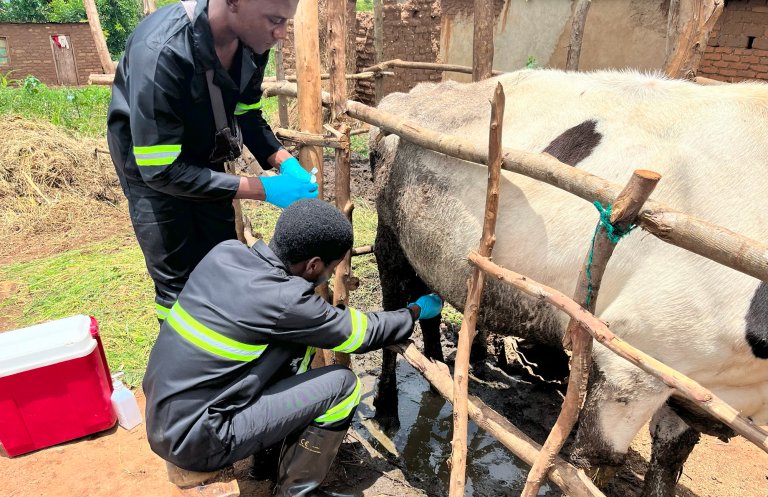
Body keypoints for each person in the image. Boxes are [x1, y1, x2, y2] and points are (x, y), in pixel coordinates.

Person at [142, 199, 443, 497]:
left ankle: (266, 459)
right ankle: (295, 491)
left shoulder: (226, 253)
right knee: (343, 386)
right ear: (313, 265)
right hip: (198, 438)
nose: (329, 274)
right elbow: (361, 333)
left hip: (166, 415)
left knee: (293, 349)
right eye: (332, 267)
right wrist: (415, 311)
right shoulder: (285, 300)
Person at [107, 0, 316, 323]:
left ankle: (226, 358)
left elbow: (246, 115)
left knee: (220, 263)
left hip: (205, 162)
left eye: (286, 21)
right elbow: (161, 171)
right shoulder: (162, 51)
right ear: (233, 3)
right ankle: (181, 363)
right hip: (152, 175)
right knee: (178, 284)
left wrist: (284, 160)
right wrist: (263, 188)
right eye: (275, 20)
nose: (282, 33)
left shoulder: (252, 43)